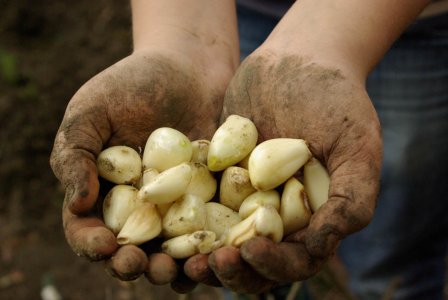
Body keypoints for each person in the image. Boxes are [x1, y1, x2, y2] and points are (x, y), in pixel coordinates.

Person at [50, 0, 448, 299]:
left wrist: (327, 43)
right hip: (238, 9)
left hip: (417, 21)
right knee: (241, 265)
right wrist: (184, 43)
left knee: (394, 242)